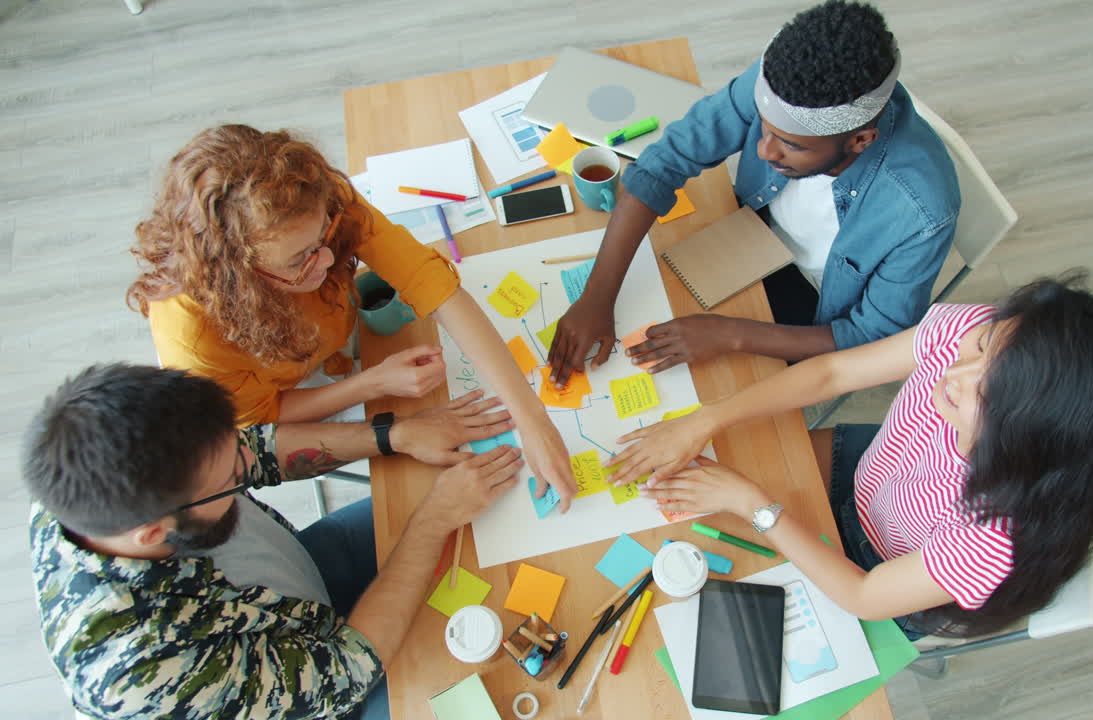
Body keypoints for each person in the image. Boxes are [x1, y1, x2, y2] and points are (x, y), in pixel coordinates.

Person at [605, 274, 1093, 636]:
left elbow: (865, 597)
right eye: (984, 347)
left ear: (1031, 439)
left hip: (879, 572)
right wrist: (705, 419)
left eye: (989, 392)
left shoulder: (998, 538)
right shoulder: (971, 330)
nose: (957, 372)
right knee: (706, 494)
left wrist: (752, 502)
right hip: (866, 471)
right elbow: (833, 372)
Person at [25, 363, 523, 719]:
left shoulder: (87, 479)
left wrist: (394, 435)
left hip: (295, 587)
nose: (246, 467)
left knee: (478, 512)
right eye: (230, 479)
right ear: (154, 533)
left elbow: (257, 450)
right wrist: (431, 522)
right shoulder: (143, 672)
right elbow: (345, 670)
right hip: (326, 690)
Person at [127, 125, 574, 508]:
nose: (327, 261)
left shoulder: (310, 198)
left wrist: (533, 418)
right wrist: (371, 384)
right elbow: (264, 418)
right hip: (290, 396)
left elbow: (430, 283)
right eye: (300, 259)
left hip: (331, 341)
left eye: (325, 236)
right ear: (237, 275)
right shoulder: (192, 334)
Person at [548, 0, 959, 386]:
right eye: (763, 125)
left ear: (859, 140)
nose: (764, 150)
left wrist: (730, 335)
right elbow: (665, 162)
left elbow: (875, 337)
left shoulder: (922, 211)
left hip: (819, 313)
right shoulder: (784, 82)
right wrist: (597, 295)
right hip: (751, 232)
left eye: (791, 145)